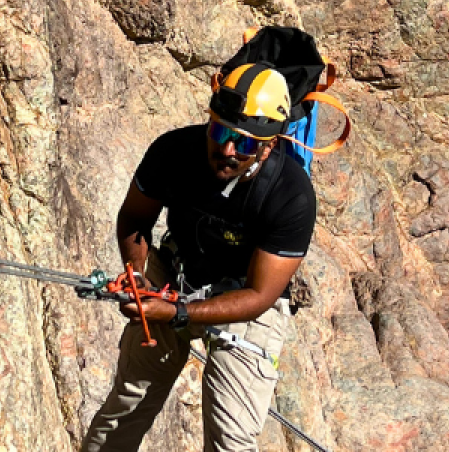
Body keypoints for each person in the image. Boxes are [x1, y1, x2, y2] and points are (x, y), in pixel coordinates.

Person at [81, 62, 317, 452]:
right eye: (220, 132)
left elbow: (260, 295)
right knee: (125, 408)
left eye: (243, 143)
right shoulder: (173, 151)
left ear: (269, 145)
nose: (226, 150)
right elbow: (135, 218)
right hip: (177, 272)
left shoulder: (291, 195)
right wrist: (137, 276)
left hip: (245, 299)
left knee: (231, 440)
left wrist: (179, 312)